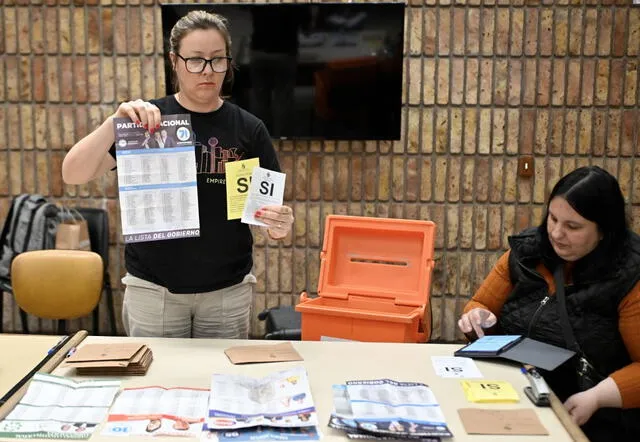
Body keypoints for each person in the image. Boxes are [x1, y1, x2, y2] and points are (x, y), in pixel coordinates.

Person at [61, 10, 295, 339]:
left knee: (220, 383)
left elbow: (269, 214)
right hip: (154, 292)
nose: (208, 71)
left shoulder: (248, 129)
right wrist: (114, 123)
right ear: (175, 60)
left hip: (226, 293)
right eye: (195, 60)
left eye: (217, 60)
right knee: (156, 383)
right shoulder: (147, 123)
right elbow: (72, 173)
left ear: (229, 62)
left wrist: (280, 223)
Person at [457, 166, 640, 441]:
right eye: (552, 219)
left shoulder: (630, 277)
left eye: (572, 226)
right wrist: (476, 318)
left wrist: (596, 398)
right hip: (510, 397)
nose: (556, 233)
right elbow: (480, 304)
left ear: (604, 231)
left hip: (586, 417)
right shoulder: (526, 253)